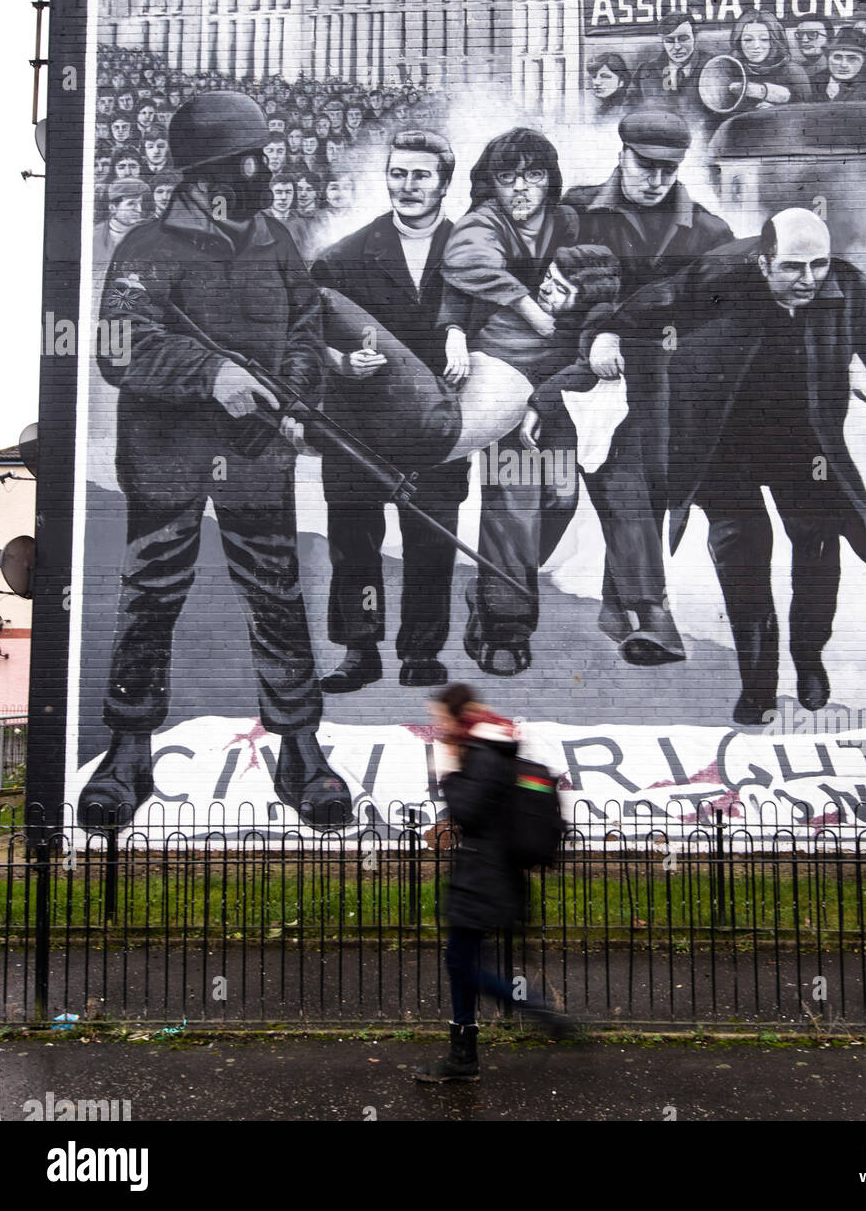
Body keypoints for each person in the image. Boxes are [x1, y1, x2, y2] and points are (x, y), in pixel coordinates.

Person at [80, 90, 352, 829]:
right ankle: (126, 751)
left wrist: (295, 395)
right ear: (205, 175)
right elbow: (117, 344)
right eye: (249, 158)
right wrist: (209, 373)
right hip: (167, 459)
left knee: (277, 599)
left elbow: (305, 324)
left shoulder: (276, 240)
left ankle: (301, 751)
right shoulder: (148, 249)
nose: (265, 168)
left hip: (256, 455)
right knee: (149, 599)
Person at [591, 207, 866, 724]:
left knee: (818, 553)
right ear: (763, 262)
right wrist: (607, 334)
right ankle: (758, 685)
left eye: (818, 265)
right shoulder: (720, 275)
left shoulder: (847, 287)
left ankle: (809, 657)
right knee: (743, 561)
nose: (808, 280)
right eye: (792, 267)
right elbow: (650, 304)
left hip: (804, 444)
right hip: (724, 443)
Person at [562, 110, 733, 664]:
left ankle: (618, 605)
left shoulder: (708, 232)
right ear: (622, 154)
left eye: (669, 169)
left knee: (651, 488)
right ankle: (654, 613)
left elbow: (718, 315)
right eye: (645, 166)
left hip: (668, 386)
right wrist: (596, 331)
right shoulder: (576, 212)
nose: (657, 180)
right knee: (625, 481)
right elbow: (553, 289)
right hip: (587, 375)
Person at [313, 129, 467, 692]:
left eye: (421, 175)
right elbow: (302, 337)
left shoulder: (473, 251)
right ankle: (360, 649)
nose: (408, 186)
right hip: (356, 424)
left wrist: (463, 337)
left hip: (438, 425)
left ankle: (421, 650)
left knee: (432, 537)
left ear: (444, 183)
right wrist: (340, 362)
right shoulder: (344, 257)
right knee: (355, 541)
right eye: (398, 173)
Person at [439, 127, 580, 676]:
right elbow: (465, 271)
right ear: (490, 183)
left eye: (534, 175)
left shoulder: (569, 221)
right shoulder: (483, 223)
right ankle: (506, 627)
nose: (521, 188)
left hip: (563, 378)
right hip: (504, 374)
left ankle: (497, 585)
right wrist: (523, 310)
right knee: (514, 503)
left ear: (551, 180)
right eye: (508, 176)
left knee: (560, 500)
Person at [415, 683, 571, 1083]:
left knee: (463, 966)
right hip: (488, 876)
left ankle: (536, 1012)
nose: (437, 725)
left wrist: (448, 768)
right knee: (462, 963)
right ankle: (463, 1055)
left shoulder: (483, 755)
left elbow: (469, 812)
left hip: (483, 879)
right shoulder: (493, 750)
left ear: (456, 717)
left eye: (440, 718)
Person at [725, 8, 811, 112]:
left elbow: (805, 113)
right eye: (748, 40)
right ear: (739, 41)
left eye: (764, 39)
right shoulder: (731, 69)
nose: (756, 46)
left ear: (774, 41)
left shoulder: (793, 72)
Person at [631, 10, 706, 119]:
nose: (677, 47)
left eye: (683, 39)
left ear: (695, 37)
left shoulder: (713, 66)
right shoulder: (645, 72)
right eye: (669, 41)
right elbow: (628, 112)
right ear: (663, 42)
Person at [810, 25, 866, 103]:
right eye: (838, 57)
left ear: (863, 61)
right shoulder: (814, 82)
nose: (843, 65)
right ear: (828, 58)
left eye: (852, 58)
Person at [586, 50, 630, 117]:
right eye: (594, 77)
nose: (596, 82)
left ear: (621, 81)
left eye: (605, 77)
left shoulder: (628, 111)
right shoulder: (600, 112)